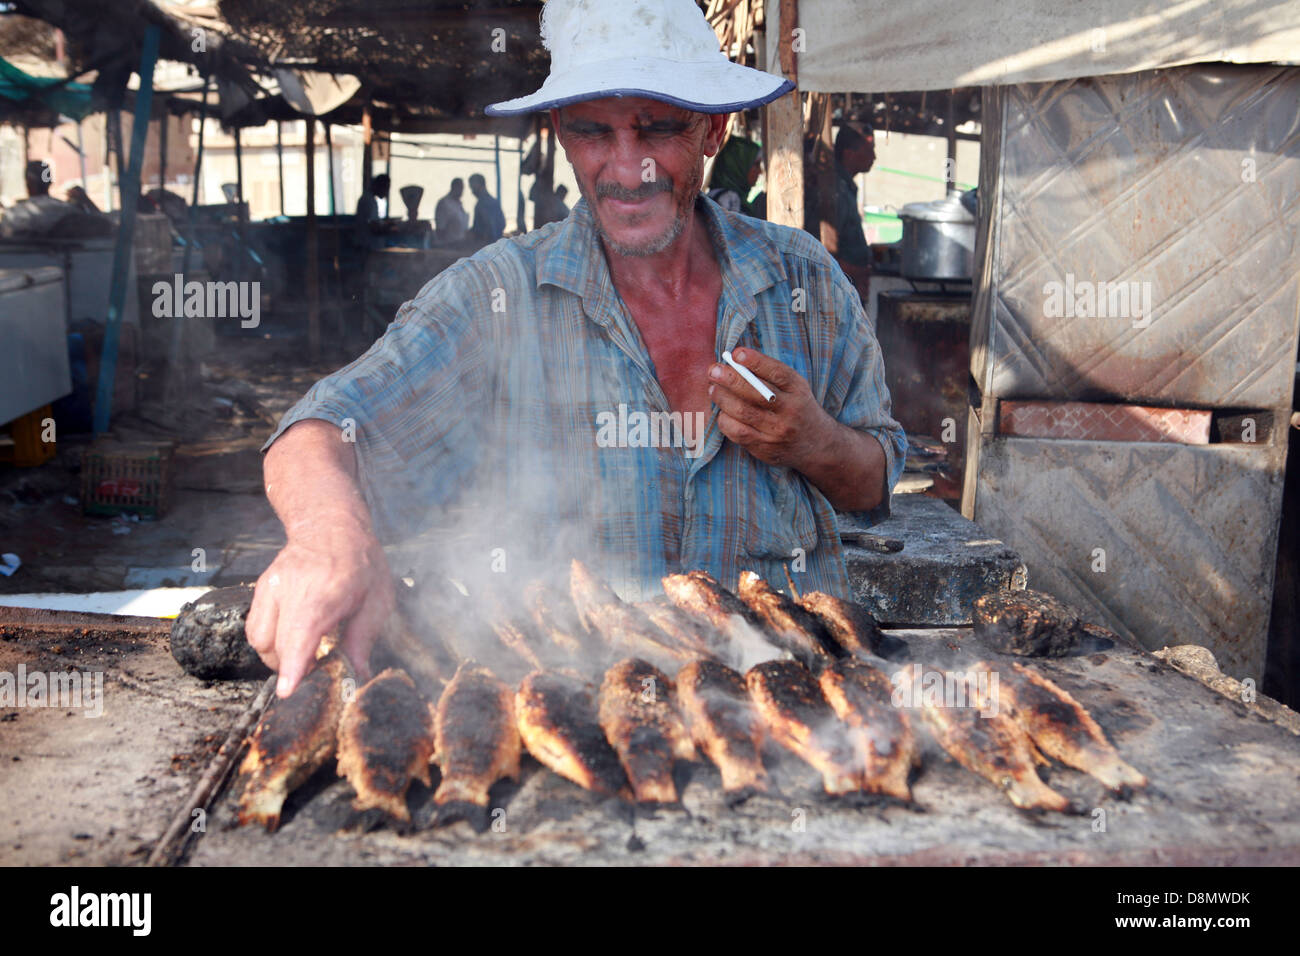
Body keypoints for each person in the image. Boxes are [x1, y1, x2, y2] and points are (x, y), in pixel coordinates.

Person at [249, 0, 905, 696]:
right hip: (570, 720)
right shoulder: (495, 296)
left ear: (713, 129)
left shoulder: (804, 279)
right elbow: (321, 428)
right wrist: (328, 533)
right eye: (594, 131)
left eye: (659, 128)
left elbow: (874, 480)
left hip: (793, 713)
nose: (629, 168)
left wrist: (814, 442)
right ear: (560, 131)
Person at [0, 161, 112, 239]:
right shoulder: (69, 209)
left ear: (28, 183)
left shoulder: (14, 214)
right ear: (49, 182)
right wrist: (86, 201)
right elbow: (106, 226)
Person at [706, 135, 762, 216]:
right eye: (756, 164)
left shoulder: (719, 197)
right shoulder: (728, 199)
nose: (760, 171)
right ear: (740, 166)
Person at [354, 173, 390, 249]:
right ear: (379, 186)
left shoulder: (367, 198)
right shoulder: (369, 201)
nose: (386, 192)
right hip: (368, 246)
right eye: (386, 188)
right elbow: (374, 227)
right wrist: (390, 229)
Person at [468, 173, 506, 242]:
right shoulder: (494, 202)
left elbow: (490, 227)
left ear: (481, 185)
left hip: (486, 244)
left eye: (473, 188)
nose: (472, 192)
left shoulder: (483, 204)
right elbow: (503, 224)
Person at [434, 178, 469, 243]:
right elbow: (440, 230)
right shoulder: (444, 203)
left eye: (462, 188)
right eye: (459, 188)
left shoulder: (459, 204)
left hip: (461, 245)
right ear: (454, 187)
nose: (462, 191)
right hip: (449, 246)